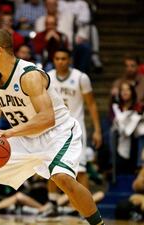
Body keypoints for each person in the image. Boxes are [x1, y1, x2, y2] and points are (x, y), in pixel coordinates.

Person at [0, 29, 104, 225]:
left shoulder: (29, 76)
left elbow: (47, 118)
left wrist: (9, 132)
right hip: (25, 136)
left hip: (57, 133)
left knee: (62, 178)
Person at [47, 48, 103, 215]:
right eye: (57, 58)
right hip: (54, 128)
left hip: (75, 129)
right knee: (50, 166)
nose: (60, 61)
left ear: (69, 60)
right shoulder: (47, 77)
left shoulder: (80, 77)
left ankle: (84, 209)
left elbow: (91, 104)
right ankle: (52, 204)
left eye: (64, 58)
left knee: (81, 169)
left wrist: (97, 130)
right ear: (53, 60)